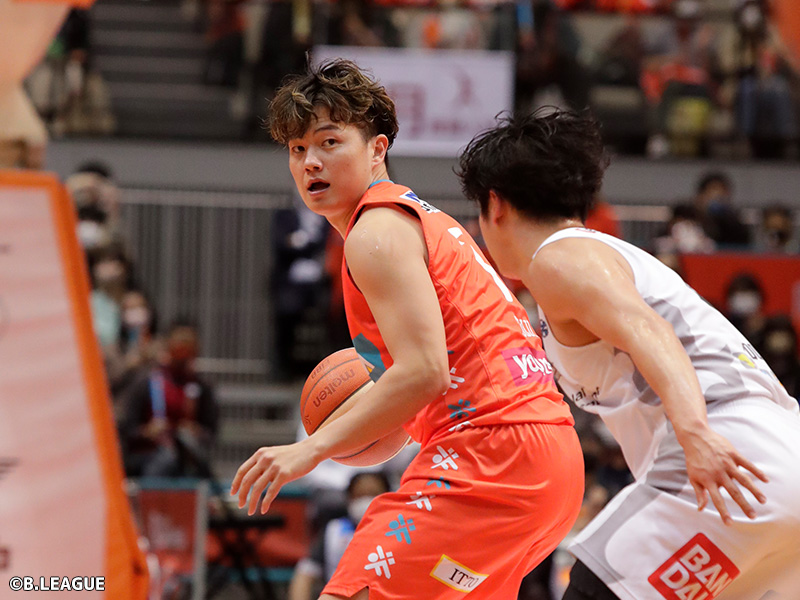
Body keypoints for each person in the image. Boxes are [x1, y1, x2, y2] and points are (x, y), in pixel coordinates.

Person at [231, 59, 584, 599]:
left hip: (491, 452)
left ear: (377, 149)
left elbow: (425, 373)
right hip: (546, 457)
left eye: (329, 142)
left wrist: (312, 448)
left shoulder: (375, 233)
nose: (310, 162)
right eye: (298, 149)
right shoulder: (420, 220)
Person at [456, 109, 800, 599]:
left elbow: (649, 330)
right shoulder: (595, 258)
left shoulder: (559, 258)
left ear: (495, 205)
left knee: (593, 589)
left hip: (729, 451)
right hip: (778, 458)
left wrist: (695, 433)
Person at [119, 320, 218, 477]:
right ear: (169, 350)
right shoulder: (147, 382)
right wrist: (146, 432)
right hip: (148, 456)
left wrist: (196, 431)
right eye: (178, 354)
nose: (183, 360)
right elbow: (125, 427)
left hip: (186, 458)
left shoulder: (200, 386)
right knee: (165, 461)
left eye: (187, 355)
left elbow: (211, 432)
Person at [288, 472, 392, 600]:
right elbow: (305, 574)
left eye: (373, 494)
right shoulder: (333, 530)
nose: (365, 501)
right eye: (360, 495)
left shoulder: (398, 531)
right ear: (349, 499)